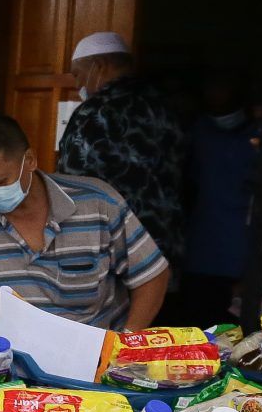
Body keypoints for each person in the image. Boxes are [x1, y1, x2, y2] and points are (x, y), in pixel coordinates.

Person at [0, 114, 168, 341]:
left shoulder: (99, 205)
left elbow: (152, 276)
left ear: (29, 160)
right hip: (11, 369)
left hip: (97, 365)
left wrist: (125, 342)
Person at [58, 32, 188, 274]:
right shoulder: (167, 107)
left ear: (99, 66)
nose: (77, 85)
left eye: (77, 74)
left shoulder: (95, 112)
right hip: (163, 248)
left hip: (113, 252)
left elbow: (73, 185)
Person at [178, 68, 262, 326]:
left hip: (239, 245)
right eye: (211, 86)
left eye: (223, 86)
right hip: (199, 245)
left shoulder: (259, 134)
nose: (215, 93)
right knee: (196, 320)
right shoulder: (196, 130)